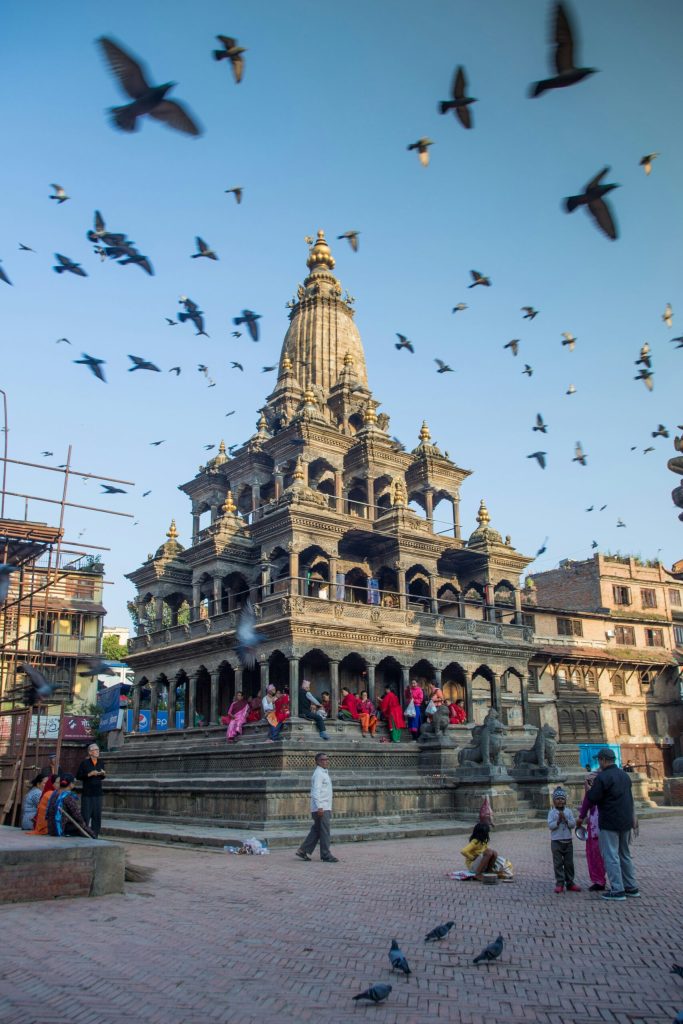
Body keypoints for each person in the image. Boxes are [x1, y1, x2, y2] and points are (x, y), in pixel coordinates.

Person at [577, 747, 639, 901]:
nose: (599, 763)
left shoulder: (603, 778)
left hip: (610, 821)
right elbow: (630, 799)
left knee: (611, 855)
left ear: (603, 760)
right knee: (625, 854)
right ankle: (631, 887)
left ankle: (617, 889)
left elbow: (592, 798)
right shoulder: (624, 776)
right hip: (625, 821)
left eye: (599, 760)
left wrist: (589, 790)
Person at [295, 752, 338, 863]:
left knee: (317, 831)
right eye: (323, 759)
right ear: (318, 762)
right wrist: (320, 807)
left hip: (324, 807)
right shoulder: (319, 774)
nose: (326, 761)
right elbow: (315, 792)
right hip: (321, 808)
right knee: (324, 832)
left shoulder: (323, 773)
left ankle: (303, 850)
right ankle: (325, 854)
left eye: (327, 759)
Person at [577, 771, 606, 891]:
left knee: (596, 855)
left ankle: (599, 880)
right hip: (604, 827)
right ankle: (604, 880)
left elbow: (584, 808)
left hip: (597, 829)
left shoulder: (591, 794)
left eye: (590, 782)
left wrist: (580, 818)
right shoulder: (606, 792)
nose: (588, 785)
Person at [547, 785, 580, 894]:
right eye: (558, 799)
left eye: (562, 799)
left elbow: (573, 824)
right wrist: (557, 821)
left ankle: (570, 882)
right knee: (558, 863)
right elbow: (550, 826)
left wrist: (565, 820)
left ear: (565, 800)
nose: (560, 801)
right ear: (554, 801)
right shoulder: (552, 812)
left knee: (569, 863)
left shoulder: (569, 812)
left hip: (567, 841)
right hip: (556, 841)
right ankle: (560, 883)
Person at [76, 742, 106, 838]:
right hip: (88, 792)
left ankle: (95, 834)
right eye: (95, 750)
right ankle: (84, 833)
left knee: (97, 815)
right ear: (90, 752)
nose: (97, 752)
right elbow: (78, 776)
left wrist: (103, 774)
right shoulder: (84, 763)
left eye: (98, 750)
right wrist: (89, 774)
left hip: (98, 792)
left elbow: (102, 777)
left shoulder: (101, 762)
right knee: (86, 814)